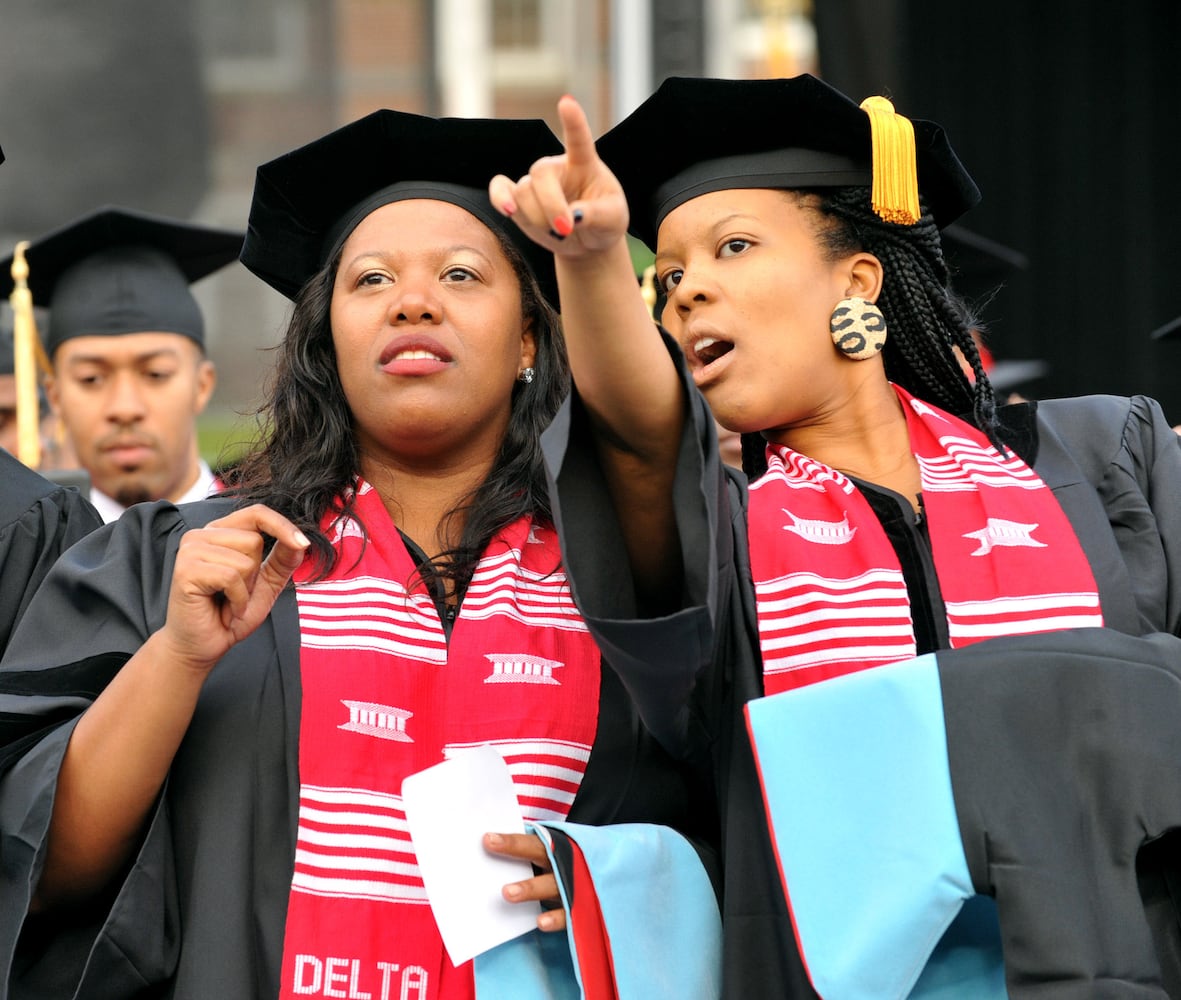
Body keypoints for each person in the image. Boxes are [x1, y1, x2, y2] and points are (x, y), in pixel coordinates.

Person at [0, 109, 719, 1000]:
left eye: (461, 275)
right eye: (370, 279)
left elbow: (652, 452)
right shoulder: (184, 560)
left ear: (529, 340)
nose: (412, 300)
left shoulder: (607, 574)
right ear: (327, 342)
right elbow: (46, 869)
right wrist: (179, 656)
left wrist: (611, 883)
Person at [491, 76, 1181, 997]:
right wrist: (593, 259)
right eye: (669, 275)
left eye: (732, 247)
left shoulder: (1099, 460)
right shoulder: (722, 537)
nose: (686, 289)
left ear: (855, 280)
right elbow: (638, 442)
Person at [0, 207, 241, 521]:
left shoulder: (282, 545)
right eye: (91, 379)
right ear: (55, 396)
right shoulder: (27, 558)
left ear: (202, 385)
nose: (125, 408)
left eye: (155, 374)